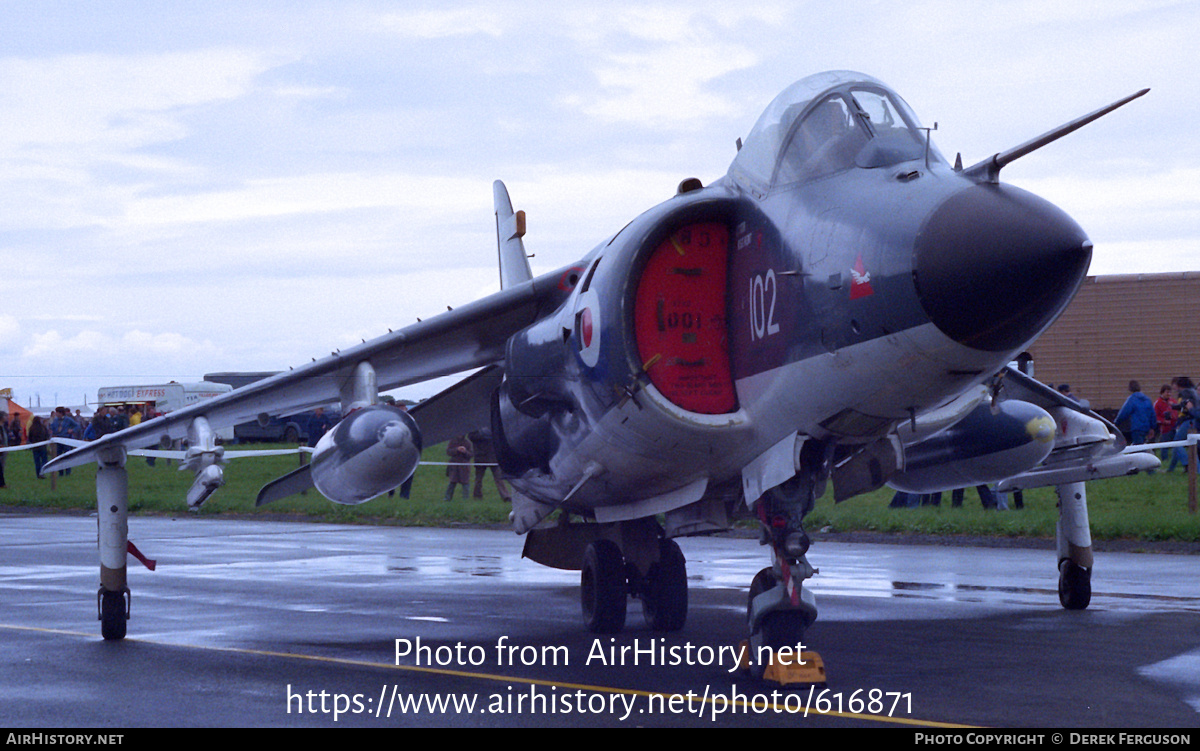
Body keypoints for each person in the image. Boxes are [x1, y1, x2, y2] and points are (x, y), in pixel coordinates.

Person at [468, 427, 511, 502]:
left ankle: (505, 496)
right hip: (480, 457)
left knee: (499, 478)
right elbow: (471, 437)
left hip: (493, 456)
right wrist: (484, 435)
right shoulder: (475, 428)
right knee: (478, 479)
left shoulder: (491, 425)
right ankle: (477, 496)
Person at [1167, 377, 1199, 472]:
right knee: (1192, 446)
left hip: (1188, 420)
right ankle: (1172, 469)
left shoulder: (1185, 392)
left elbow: (1185, 406)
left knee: (1177, 443)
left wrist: (1173, 406)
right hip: (1195, 419)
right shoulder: (1193, 391)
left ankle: (1187, 463)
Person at [1114, 380, 1157, 446]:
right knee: (1142, 445)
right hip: (1146, 427)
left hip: (1137, 428)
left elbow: (1124, 412)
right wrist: (1152, 427)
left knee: (1138, 447)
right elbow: (1152, 414)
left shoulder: (1132, 399)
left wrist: (1116, 422)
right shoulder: (1147, 399)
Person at [444, 434, 473, 501]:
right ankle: (447, 499)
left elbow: (471, 454)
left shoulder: (467, 443)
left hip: (464, 466)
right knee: (452, 483)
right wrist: (456, 450)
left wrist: (465, 452)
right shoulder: (452, 441)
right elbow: (448, 452)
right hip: (454, 465)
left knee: (465, 484)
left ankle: (465, 500)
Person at [1154, 384, 1178, 462]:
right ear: (1162, 392)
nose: (1169, 394)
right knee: (1164, 443)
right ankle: (1165, 459)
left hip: (1174, 425)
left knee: (1176, 443)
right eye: (1167, 392)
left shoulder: (1173, 401)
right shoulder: (1158, 403)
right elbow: (1155, 416)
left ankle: (1175, 459)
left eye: (1170, 392)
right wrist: (1163, 421)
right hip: (1165, 428)